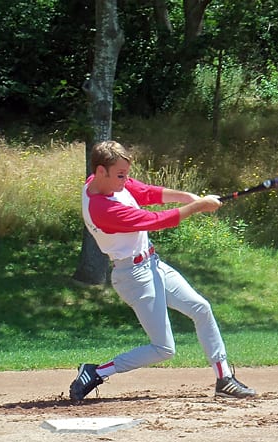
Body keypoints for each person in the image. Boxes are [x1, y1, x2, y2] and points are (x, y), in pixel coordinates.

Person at [70, 140, 256, 401]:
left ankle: (224, 378)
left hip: (153, 265)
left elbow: (145, 192)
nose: (126, 180)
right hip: (134, 277)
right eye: (121, 175)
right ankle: (96, 372)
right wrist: (198, 207)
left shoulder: (102, 180)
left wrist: (188, 198)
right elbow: (156, 221)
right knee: (163, 348)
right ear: (102, 171)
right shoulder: (103, 209)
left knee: (201, 308)